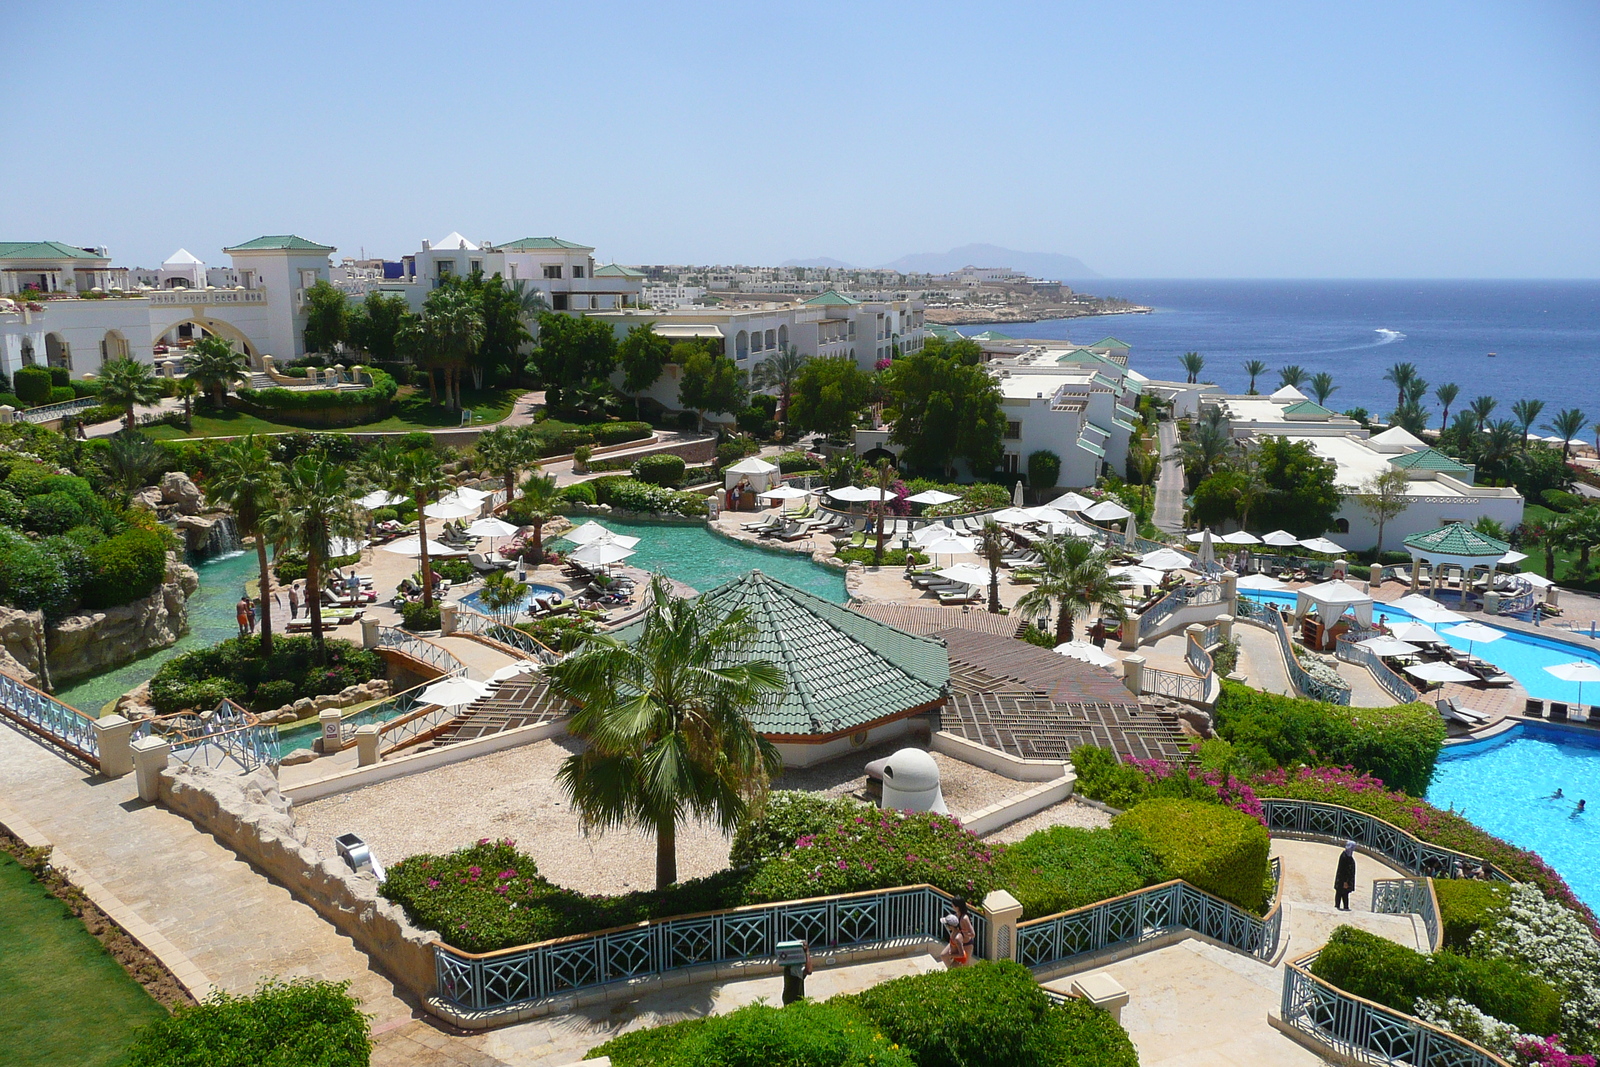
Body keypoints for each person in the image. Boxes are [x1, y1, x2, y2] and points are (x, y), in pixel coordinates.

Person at [940, 898, 974, 967]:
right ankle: (951, 969)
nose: (952, 907)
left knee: (965, 966)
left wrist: (963, 933)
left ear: (957, 907)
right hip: (956, 942)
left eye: (953, 905)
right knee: (943, 955)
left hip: (966, 944)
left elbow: (972, 934)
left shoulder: (964, 918)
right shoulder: (956, 915)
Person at [1334, 840, 1357, 911]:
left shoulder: (1348, 856)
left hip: (1345, 881)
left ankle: (1346, 907)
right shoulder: (1344, 856)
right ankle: (1338, 907)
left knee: (1345, 894)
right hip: (1342, 881)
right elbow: (1342, 870)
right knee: (1340, 893)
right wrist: (1345, 882)